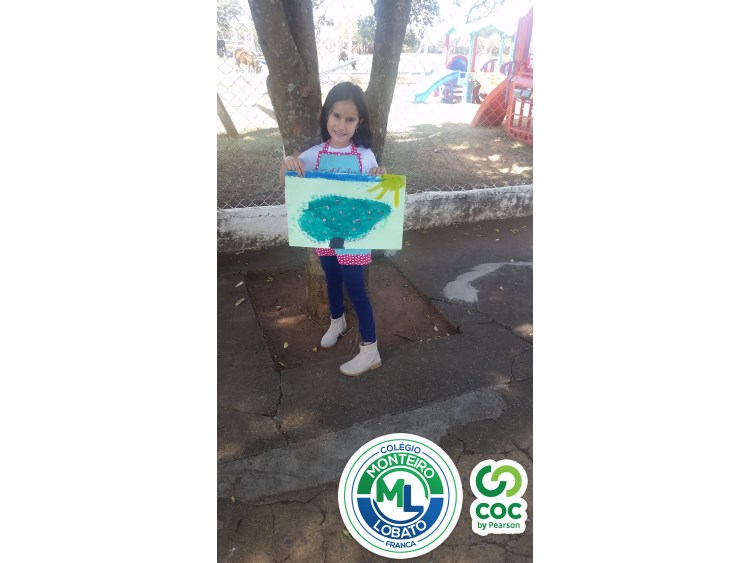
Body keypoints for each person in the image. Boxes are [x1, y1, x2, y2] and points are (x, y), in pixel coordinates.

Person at [280, 82, 387, 377]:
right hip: (324, 233)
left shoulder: (365, 155)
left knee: (355, 287)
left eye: (349, 119)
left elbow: (377, 189)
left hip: (354, 238)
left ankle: (370, 349)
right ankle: (337, 320)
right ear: (326, 115)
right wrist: (288, 163)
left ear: (359, 122)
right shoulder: (313, 154)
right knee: (331, 276)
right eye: (336, 116)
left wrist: (379, 174)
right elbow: (287, 180)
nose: (341, 125)